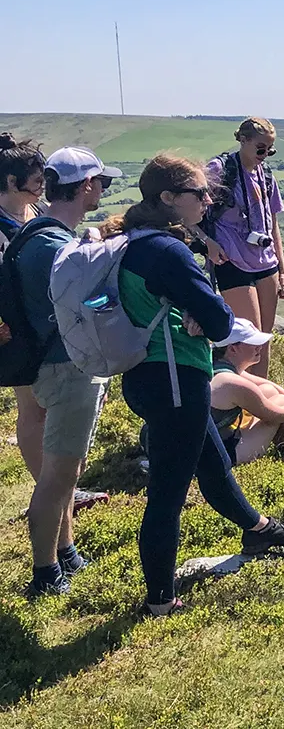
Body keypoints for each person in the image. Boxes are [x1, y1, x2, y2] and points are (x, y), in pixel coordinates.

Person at [104, 154, 284, 616]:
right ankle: (159, 599)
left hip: (147, 373)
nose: (208, 199)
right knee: (168, 494)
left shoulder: (134, 242)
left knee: (211, 462)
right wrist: (203, 314)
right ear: (168, 198)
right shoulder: (169, 250)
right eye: (200, 193)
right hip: (175, 375)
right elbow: (220, 322)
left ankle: (258, 530)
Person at [15, 147, 122, 597]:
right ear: (86, 187)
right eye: (102, 183)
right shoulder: (59, 248)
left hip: (48, 364)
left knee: (66, 470)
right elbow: (83, 309)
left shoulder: (36, 236)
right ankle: (45, 574)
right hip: (67, 367)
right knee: (59, 475)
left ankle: (66, 553)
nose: (103, 190)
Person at [200, 117, 284, 379]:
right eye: (261, 148)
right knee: (248, 341)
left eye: (269, 150)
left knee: (262, 341)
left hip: (266, 263)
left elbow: (273, 227)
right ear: (243, 140)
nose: (265, 155)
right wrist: (207, 242)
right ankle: (238, 398)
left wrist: (283, 272)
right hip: (232, 262)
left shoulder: (266, 176)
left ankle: (259, 399)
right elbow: (188, 210)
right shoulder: (219, 170)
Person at [1, 134, 50, 496]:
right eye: (36, 181)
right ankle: (46, 484)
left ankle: (58, 480)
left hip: (44, 319)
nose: (42, 186)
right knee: (31, 406)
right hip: (14, 326)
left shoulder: (36, 211)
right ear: (11, 182)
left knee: (49, 404)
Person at [210, 317, 284, 466]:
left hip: (218, 443)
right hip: (224, 454)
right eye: (253, 343)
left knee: (269, 391)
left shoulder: (219, 367)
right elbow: (275, 415)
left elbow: (268, 385)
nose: (260, 347)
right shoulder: (230, 382)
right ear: (233, 348)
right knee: (282, 405)